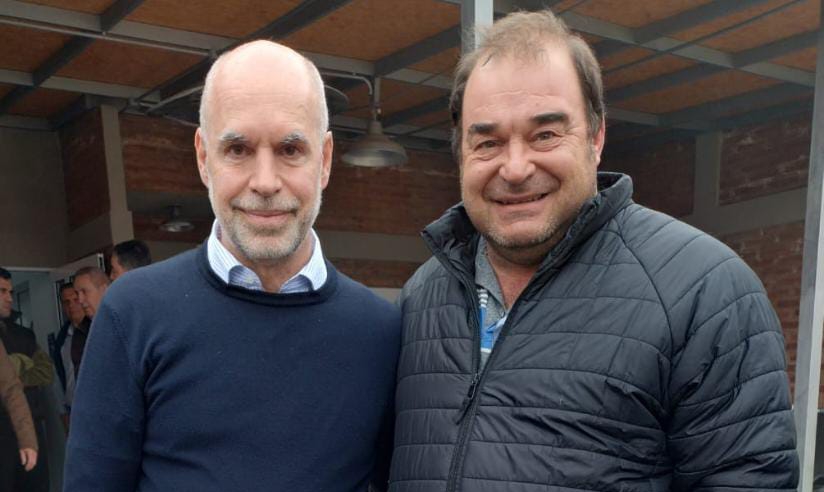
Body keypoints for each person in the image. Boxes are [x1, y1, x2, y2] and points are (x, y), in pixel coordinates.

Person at [388, 10, 798, 492]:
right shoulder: (422, 297)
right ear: (462, 153)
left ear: (596, 138)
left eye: (545, 135)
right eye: (488, 142)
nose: (515, 168)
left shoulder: (704, 292)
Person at [64, 40, 400, 492]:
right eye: (238, 149)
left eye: (290, 149)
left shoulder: (379, 331)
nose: (265, 182)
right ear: (204, 158)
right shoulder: (134, 312)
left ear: (324, 160)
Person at [0, 272, 39, 491]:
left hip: (9, 432)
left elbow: (11, 388)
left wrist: (27, 440)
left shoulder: (22, 334)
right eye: (2, 291)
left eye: (10, 292)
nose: (9, 298)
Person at [49, 284, 90, 429]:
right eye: (66, 302)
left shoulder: (98, 330)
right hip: (73, 410)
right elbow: (58, 378)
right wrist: (63, 413)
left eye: (75, 299)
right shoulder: (61, 339)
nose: (71, 305)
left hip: (99, 408)